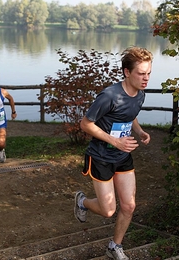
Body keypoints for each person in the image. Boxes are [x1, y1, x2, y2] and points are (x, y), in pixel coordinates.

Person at [74, 46, 152, 260]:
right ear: (127, 72)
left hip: (122, 156)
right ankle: (82, 202)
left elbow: (130, 114)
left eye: (148, 74)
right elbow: (85, 124)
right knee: (108, 211)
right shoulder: (109, 96)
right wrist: (114, 141)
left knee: (129, 205)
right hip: (100, 157)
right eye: (141, 74)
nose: (146, 79)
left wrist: (139, 131)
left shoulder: (140, 93)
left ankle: (114, 246)